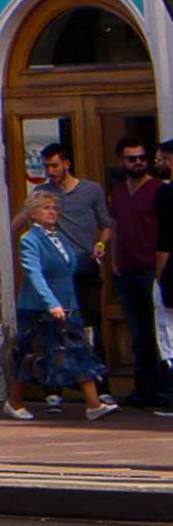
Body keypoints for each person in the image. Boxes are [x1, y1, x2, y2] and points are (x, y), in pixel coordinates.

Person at [13, 200, 99, 418]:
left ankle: (94, 404)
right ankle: (14, 401)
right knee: (29, 354)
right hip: (37, 307)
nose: (52, 212)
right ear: (32, 214)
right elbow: (34, 274)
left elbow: (68, 268)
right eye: (46, 208)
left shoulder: (59, 238)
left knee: (77, 349)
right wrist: (50, 302)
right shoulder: (30, 240)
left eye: (54, 208)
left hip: (67, 305)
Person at [110, 141, 167, 414]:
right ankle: (142, 389)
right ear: (121, 161)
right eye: (131, 159)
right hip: (126, 270)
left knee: (159, 332)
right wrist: (113, 261)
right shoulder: (119, 192)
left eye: (142, 158)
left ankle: (161, 389)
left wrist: (161, 270)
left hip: (150, 270)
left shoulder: (158, 190)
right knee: (137, 333)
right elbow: (116, 227)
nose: (138, 163)